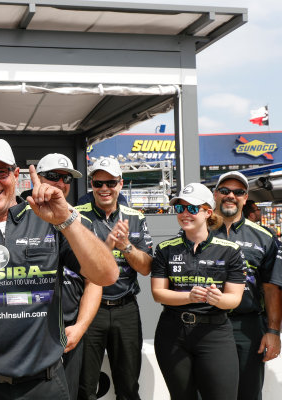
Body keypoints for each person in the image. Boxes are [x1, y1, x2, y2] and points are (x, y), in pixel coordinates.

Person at [0, 137, 118, 400]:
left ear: (15, 175)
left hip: (43, 384)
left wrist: (65, 221)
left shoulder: (50, 222)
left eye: (0, 172)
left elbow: (106, 275)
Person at [152, 182, 246, 400]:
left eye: (192, 208)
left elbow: (234, 299)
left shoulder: (230, 250)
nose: (185, 213)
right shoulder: (165, 249)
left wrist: (219, 299)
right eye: (180, 208)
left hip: (214, 333)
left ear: (208, 213)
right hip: (172, 332)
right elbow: (158, 294)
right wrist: (189, 296)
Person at [21, 152, 103, 399]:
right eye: (54, 176)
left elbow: (96, 281)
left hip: (68, 333)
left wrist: (80, 327)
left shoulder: (83, 222)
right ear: (39, 178)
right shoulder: (19, 217)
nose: (61, 183)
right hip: (28, 331)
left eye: (66, 178)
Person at [76, 157, 153, 400]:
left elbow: (146, 268)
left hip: (126, 308)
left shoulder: (136, 216)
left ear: (121, 184)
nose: (104, 189)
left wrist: (126, 246)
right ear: (91, 185)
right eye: (98, 184)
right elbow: (78, 267)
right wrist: (108, 246)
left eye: (110, 182)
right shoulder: (77, 216)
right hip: (90, 308)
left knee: (129, 386)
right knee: (85, 387)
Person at [212, 171, 282, 400]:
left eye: (238, 192)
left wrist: (273, 331)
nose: (230, 196)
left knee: (248, 394)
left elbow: (272, 288)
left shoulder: (265, 237)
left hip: (247, 327)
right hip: (206, 324)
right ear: (216, 194)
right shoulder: (197, 232)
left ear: (245, 198)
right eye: (225, 191)